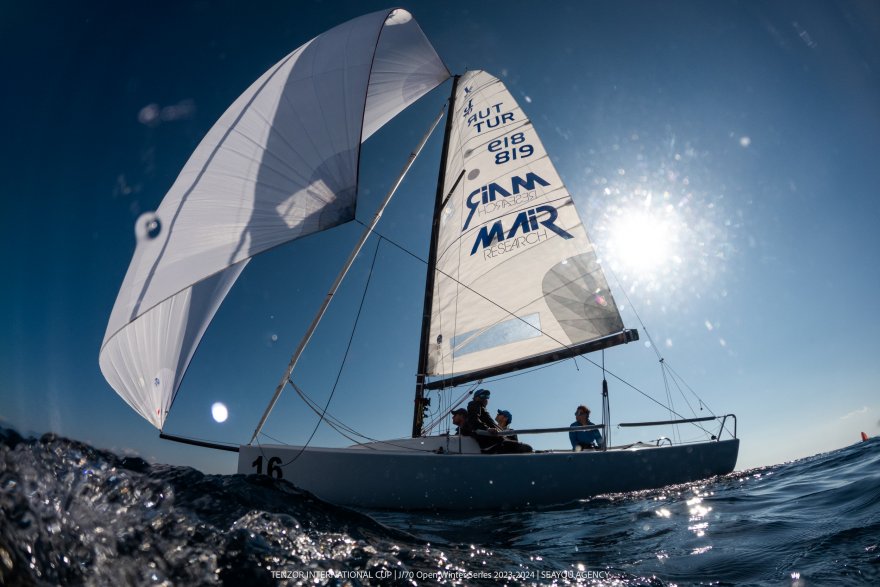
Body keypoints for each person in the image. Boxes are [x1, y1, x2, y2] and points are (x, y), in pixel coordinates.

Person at [467, 389, 532, 454]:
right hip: (493, 445)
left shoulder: (482, 409)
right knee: (527, 448)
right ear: (475, 398)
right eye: (482, 395)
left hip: (499, 442)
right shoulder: (474, 404)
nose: (485, 398)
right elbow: (473, 420)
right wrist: (487, 429)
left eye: (487, 396)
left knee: (527, 449)